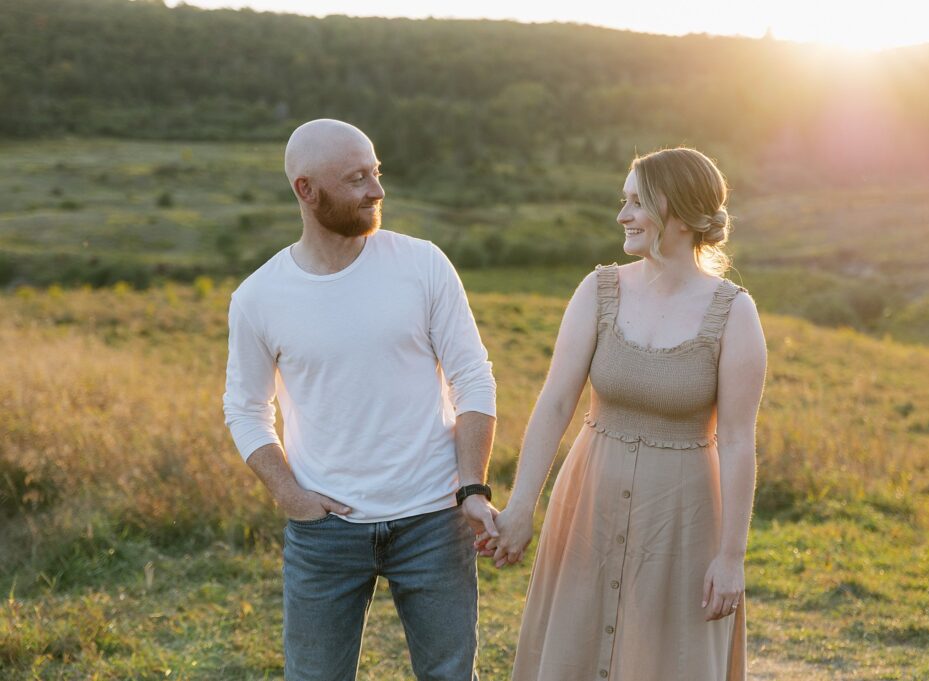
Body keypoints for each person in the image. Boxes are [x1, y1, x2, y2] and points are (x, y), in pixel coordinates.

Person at [223, 119, 498, 681]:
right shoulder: (258, 297)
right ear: (306, 190)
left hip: (433, 520)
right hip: (325, 535)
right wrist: (293, 497)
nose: (376, 190)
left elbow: (472, 377)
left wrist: (471, 485)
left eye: (376, 172)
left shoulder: (422, 264)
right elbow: (246, 410)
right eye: (356, 179)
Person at [485, 147, 767, 680]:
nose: (622, 216)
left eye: (636, 202)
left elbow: (736, 440)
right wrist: (522, 506)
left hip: (683, 521)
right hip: (588, 505)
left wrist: (731, 557)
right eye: (624, 201)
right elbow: (556, 403)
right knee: (574, 649)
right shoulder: (599, 289)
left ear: (678, 214)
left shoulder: (735, 313)